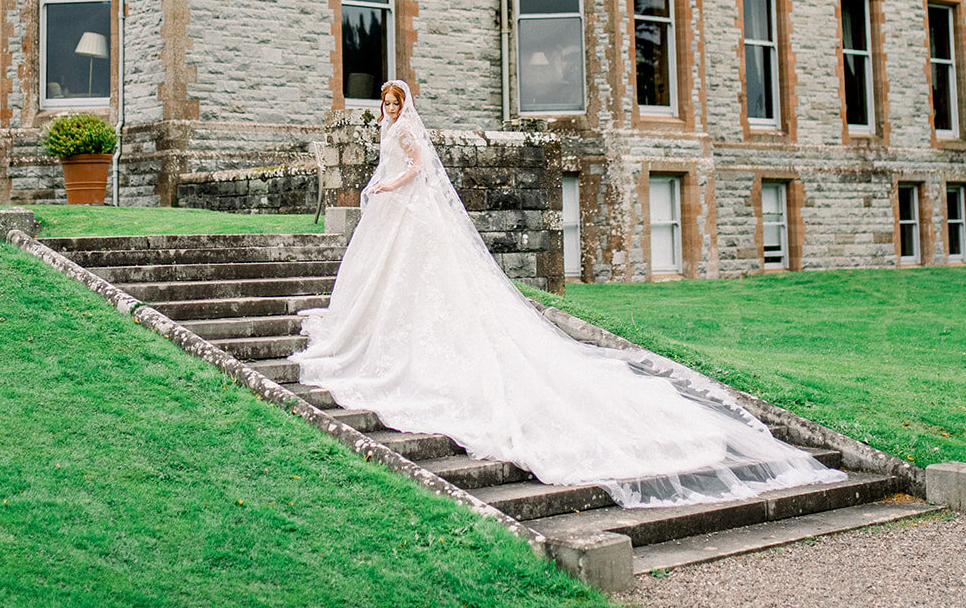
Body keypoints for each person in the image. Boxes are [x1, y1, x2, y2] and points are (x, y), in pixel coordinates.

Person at [297, 81, 844, 509]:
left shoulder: (411, 132)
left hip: (405, 207)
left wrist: (389, 185)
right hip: (393, 217)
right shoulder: (386, 129)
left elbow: (416, 168)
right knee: (392, 277)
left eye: (395, 104)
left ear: (404, 105)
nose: (390, 111)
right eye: (387, 105)